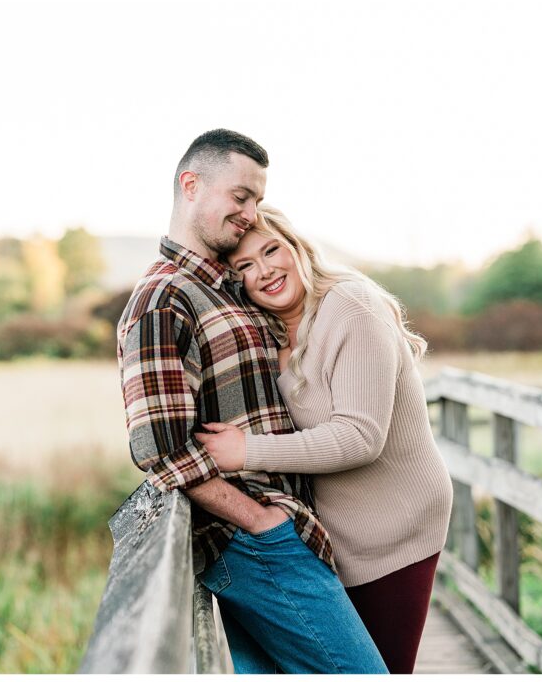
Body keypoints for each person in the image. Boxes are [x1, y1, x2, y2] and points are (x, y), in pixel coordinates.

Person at [116, 129, 387, 674]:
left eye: (257, 200)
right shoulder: (162, 299)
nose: (249, 212)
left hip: (282, 527)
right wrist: (259, 521)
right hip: (255, 540)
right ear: (191, 185)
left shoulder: (222, 286)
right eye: (240, 197)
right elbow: (158, 447)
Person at [195, 203, 454, 674]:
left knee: (379, 668)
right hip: (337, 530)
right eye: (245, 267)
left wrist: (244, 450)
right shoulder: (271, 332)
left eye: (271, 250)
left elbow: (360, 437)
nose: (265, 271)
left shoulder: (350, 307)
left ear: (298, 247)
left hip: (394, 523)